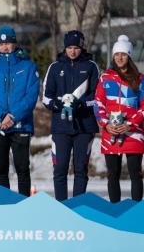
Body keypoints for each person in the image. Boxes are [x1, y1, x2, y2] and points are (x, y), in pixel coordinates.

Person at [0, 26, 40, 196]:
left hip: (21, 125)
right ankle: (4, 205)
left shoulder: (29, 67)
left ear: (14, 42)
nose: (5, 47)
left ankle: (24, 206)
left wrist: (12, 117)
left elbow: (31, 96)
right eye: (1, 44)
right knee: (1, 170)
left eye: (8, 43)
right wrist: (2, 116)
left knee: (22, 169)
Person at [42, 30, 99, 201]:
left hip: (85, 126)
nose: (72, 51)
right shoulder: (55, 67)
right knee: (60, 169)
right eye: (69, 48)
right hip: (61, 127)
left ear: (82, 47)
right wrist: (56, 104)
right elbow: (46, 97)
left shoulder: (91, 66)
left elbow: (98, 97)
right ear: (65, 48)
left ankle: (78, 207)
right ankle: (61, 207)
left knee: (80, 169)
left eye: (76, 48)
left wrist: (82, 104)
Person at [94, 35, 144, 202]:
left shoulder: (140, 79)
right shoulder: (104, 78)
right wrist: (105, 124)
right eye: (117, 54)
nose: (119, 57)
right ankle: (115, 210)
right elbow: (98, 104)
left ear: (129, 56)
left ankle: (136, 210)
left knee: (136, 174)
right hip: (111, 132)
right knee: (113, 174)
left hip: (134, 133)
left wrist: (130, 124)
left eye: (124, 54)